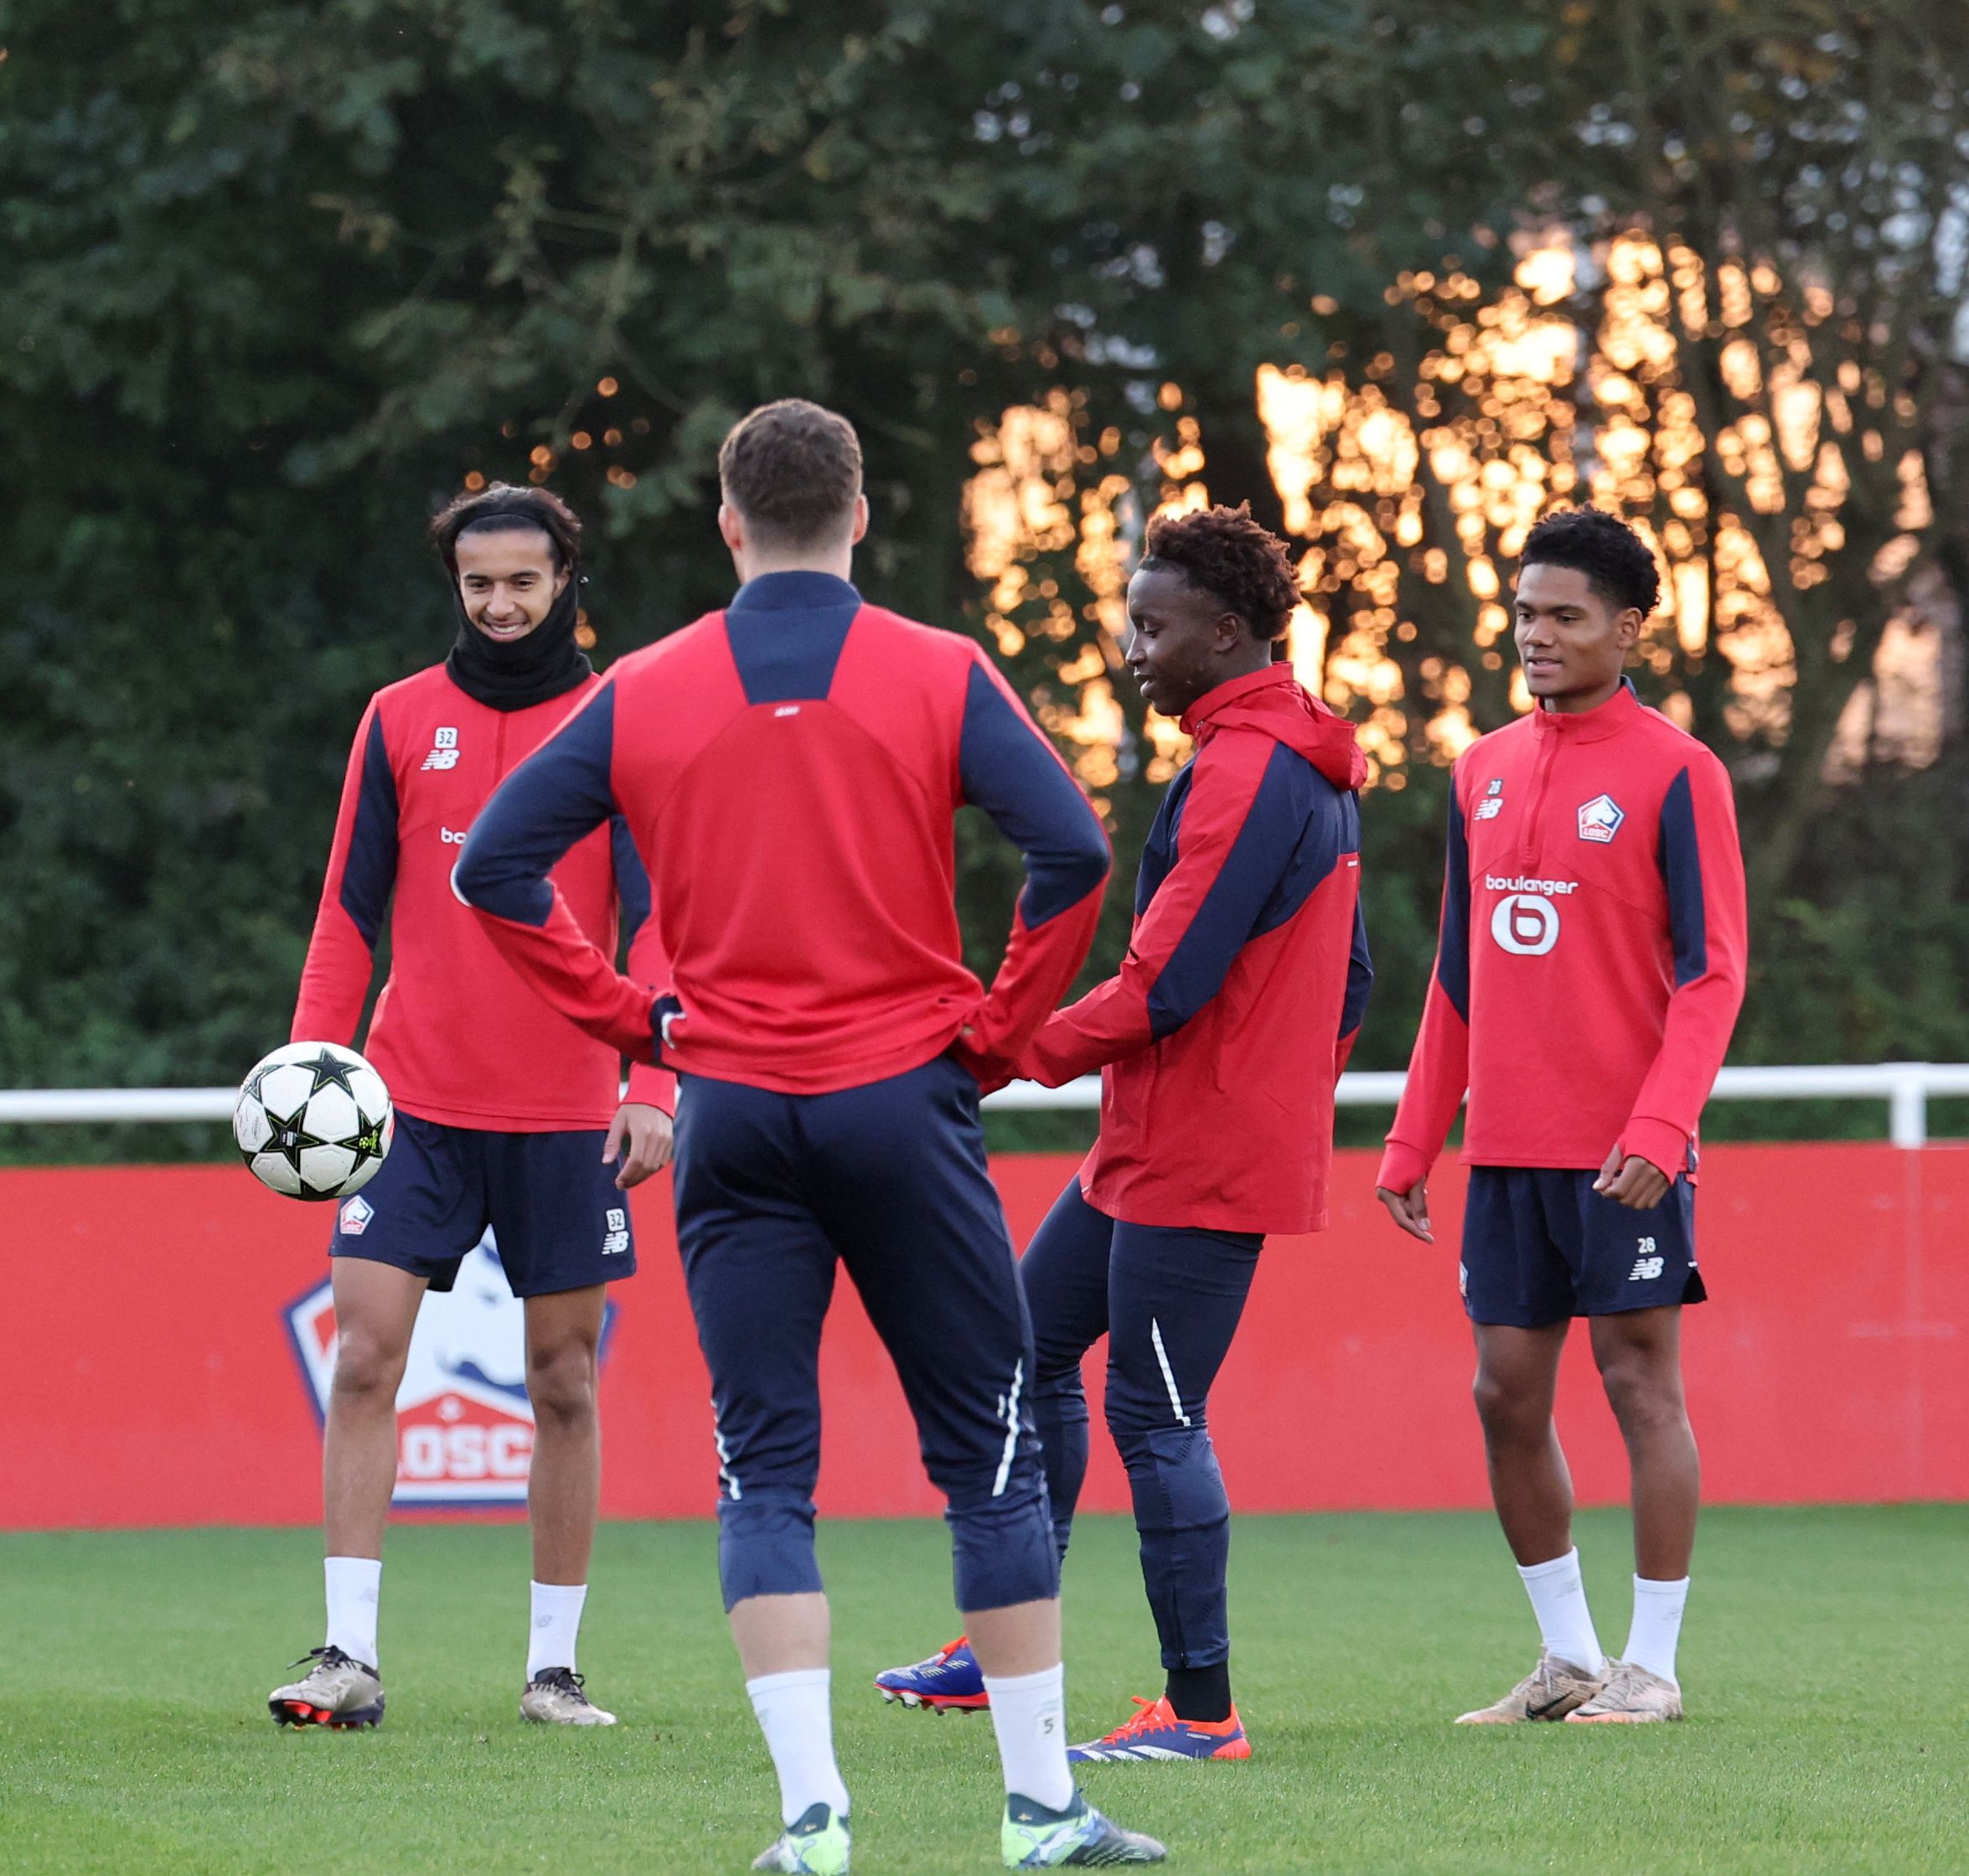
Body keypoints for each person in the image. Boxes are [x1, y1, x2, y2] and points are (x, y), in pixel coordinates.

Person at [455, 400, 1165, 1870]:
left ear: (726, 523)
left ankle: (814, 1819)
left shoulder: (642, 688)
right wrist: (998, 1026)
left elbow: (493, 868)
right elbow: (1076, 850)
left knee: (763, 1468)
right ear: (857, 516)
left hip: (728, 1116)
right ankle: (1039, 1815)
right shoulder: (937, 670)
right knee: (986, 1455)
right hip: (902, 1102)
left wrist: (630, 1019)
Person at [874, 506, 1368, 1764]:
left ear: (1226, 631)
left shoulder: (1253, 767)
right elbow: (1351, 982)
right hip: (1159, 1137)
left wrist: (995, 1050)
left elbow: (1165, 982)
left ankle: (1200, 1714)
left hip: (1198, 1152)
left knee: (1154, 1415)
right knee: (1029, 1350)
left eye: (1151, 627)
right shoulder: (1267, 754)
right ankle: (1004, 1647)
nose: (1131, 650)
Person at [270, 483, 672, 1734]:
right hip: (411, 1108)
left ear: (565, 584)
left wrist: (650, 1084)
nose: (498, 604)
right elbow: (349, 913)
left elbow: (662, 925)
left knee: (561, 1381)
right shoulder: (397, 718)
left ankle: (553, 1672)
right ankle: (346, 1658)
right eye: (476, 583)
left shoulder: (624, 721)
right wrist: (309, 1073)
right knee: (365, 1363)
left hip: (566, 1113)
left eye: (521, 582)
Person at [1375, 506, 1744, 1728]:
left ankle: (1653, 1666)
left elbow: (1712, 970)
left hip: (1622, 1156)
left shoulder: (1677, 772)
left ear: (1626, 628)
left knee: (1639, 1387)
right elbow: (1456, 973)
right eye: (1524, 613)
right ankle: (1569, 1658)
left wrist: (1657, 1128)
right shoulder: (1478, 769)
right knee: (1502, 1396)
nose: (1534, 635)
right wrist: (1412, 1135)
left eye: (1562, 615)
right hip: (1509, 1150)